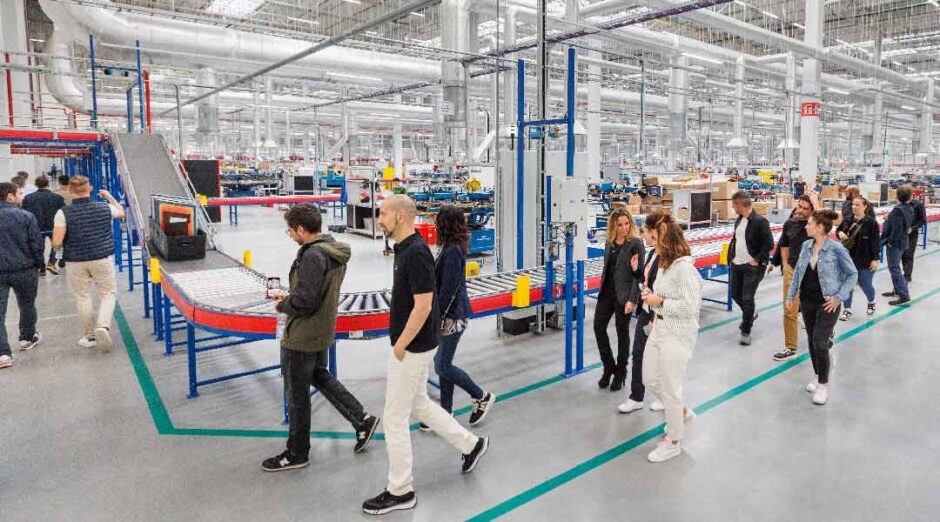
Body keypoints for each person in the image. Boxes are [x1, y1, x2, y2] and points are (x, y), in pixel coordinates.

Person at [363, 195, 489, 516]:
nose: (379, 219)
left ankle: (401, 489)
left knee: (394, 419)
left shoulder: (416, 253)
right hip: (418, 343)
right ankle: (471, 444)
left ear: (401, 217)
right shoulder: (406, 248)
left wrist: (401, 344)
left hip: (414, 346)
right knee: (420, 405)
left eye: (384, 213)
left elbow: (423, 305)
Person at [262, 204, 380, 472]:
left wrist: (283, 305)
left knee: (297, 395)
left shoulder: (313, 256)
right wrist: (292, 296)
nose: (290, 235)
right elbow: (314, 293)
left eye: (291, 231)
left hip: (302, 335)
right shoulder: (333, 249)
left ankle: (297, 453)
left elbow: (305, 301)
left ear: (302, 230)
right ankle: (361, 419)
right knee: (319, 375)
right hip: (322, 329)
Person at [638, 211, 702, 463]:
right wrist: (652, 305)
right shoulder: (664, 263)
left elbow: (689, 307)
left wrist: (659, 301)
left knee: (671, 388)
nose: (646, 237)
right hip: (660, 327)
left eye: (650, 234)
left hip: (678, 333)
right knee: (649, 378)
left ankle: (673, 440)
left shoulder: (683, 269)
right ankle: (681, 412)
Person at [430, 205, 494, 423]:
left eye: (438, 221)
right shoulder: (450, 247)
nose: (435, 224)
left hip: (453, 316)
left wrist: (437, 318)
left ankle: (480, 395)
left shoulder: (453, 251)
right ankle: (445, 411)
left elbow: (448, 290)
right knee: (443, 363)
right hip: (449, 315)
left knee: (442, 365)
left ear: (445, 224)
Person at [786, 210, 857, 406]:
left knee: (820, 341)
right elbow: (798, 273)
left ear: (819, 228)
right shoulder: (806, 246)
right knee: (810, 340)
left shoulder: (836, 249)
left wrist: (838, 298)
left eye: (809, 224)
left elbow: (852, 275)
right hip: (807, 301)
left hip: (828, 302)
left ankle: (823, 385)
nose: (806, 226)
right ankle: (818, 375)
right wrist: (791, 296)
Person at [51, 176, 125, 351]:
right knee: (108, 293)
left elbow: (56, 243)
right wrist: (109, 197)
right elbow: (121, 212)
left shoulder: (63, 213)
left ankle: (89, 336)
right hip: (102, 258)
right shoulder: (104, 207)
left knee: (83, 296)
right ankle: (103, 326)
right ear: (90, 188)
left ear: (70, 190)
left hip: (76, 261)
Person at [594, 207, 644, 392]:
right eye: (620, 224)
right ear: (613, 225)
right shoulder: (610, 242)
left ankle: (621, 371)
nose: (624, 228)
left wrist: (633, 299)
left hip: (624, 296)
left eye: (626, 223)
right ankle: (608, 367)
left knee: (622, 333)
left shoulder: (636, 244)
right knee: (598, 327)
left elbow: (638, 276)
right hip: (606, 293)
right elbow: (607, 268)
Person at [618, 213, 662, 414]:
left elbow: (665, 291)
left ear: (654, 233)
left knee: (661, 358)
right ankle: (637, 397)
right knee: (638, 354)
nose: (642, 235)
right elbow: (643, 282)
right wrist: (636, 270)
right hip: (646, 311)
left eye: (645, 231)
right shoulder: (653, 253)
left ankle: (664, 396)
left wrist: (655, 317)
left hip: (659, 315)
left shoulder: (667, 259)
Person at [0, 182, 44, 369]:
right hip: (24, 269)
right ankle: (26, 337)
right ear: (10, 196)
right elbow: (36, 244)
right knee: (27, 304)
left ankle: (3, 354)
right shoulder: (26, 216)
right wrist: (41, 265)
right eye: (19, 193)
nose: (21, 196)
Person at [768, 194, 815, 362]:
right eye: (799, 206)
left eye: (805, 208)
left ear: (812, 211)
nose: (800, 211)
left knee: (814, 310)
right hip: (792, 270)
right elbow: (783, 243)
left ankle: (824, 335)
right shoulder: (790, 223)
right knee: (789, 310)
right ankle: (791, 347)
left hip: (812, 273)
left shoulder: (817, 225)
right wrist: (774, 262)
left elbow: (834, 219)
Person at [727, 190, 774, 346]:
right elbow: (736, 240)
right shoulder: (739, 219)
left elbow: (769, 244)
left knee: (747, 298)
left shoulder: (760, 221)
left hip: (752, 267)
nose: (733, 207)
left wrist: (758, 259)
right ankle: (751, 313)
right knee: (735, 294)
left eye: (734, 204)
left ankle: (746, 331)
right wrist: (731, 257)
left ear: (740, 204)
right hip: (736, 264)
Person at [836, 197, 879, 320]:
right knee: (847, 285)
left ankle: (871, 301)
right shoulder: (848, 220)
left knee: (865, 283)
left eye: (858, 205)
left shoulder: (871, 223)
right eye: (853, 205)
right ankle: (847, 309)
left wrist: (875, 259)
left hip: (865, 259)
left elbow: (875, 242)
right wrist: (839, 233)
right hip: (847, 259)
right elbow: (839, 229)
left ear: (865, 207)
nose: (854, 207)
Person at [22, 176, 66, 276]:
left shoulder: (28, 198)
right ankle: (52, 262)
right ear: (48, 184)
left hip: (36, 227)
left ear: (36, 185)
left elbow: (24, 213)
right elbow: (64, 212)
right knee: (58, 245)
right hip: (54, 226)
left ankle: (41, 268)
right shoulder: (57, 198)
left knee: (37, 248)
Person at [880, 186, 915, 306]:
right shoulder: (909, 208)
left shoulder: (897, 210)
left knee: (894, 268)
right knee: (896, 268)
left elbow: (896, 229)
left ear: (897, 196)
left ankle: (904, 294)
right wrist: (889, 218)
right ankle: (897, 290)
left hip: (895, 244)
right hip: (903, 241)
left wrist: (889, 242)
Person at [902, 189, 926, 283]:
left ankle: (907, 276)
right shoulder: (903, 204)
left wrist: (913, 228)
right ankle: (905, 273)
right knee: (903, 254)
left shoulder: (918, 205)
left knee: (909, 254)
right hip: (902, 232)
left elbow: (923, 220)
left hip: (912, 233)